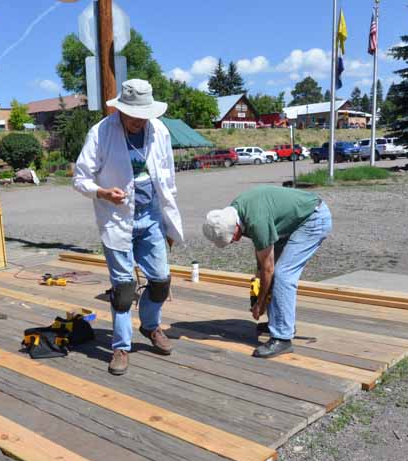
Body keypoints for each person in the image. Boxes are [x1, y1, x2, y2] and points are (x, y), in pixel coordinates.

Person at [73, 79, 183, 375]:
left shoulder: (159, 130)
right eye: (134, 115)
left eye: (143, 115)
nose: (139, 121)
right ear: (121, 109)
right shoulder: (101, 132)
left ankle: (150, 326)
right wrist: (103, 192)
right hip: (116, 218)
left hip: (151, 216)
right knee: (123, 289)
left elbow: (168, 179)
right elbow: (80, 178)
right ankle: (121, 346)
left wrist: (169, 225)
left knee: (160, 281)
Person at [202, 185, 332, 358]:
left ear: (235, 227)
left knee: (282, 275)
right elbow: (262, 259)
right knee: (266, 273)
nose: (233, 242)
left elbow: (268, 269)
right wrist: (258, 292)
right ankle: (280, 322)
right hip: (288, 224)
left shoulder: (256, 220)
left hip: (312, 219)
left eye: (231, 238)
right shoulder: (235, 212)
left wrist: (260, 304)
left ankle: (282, 338)